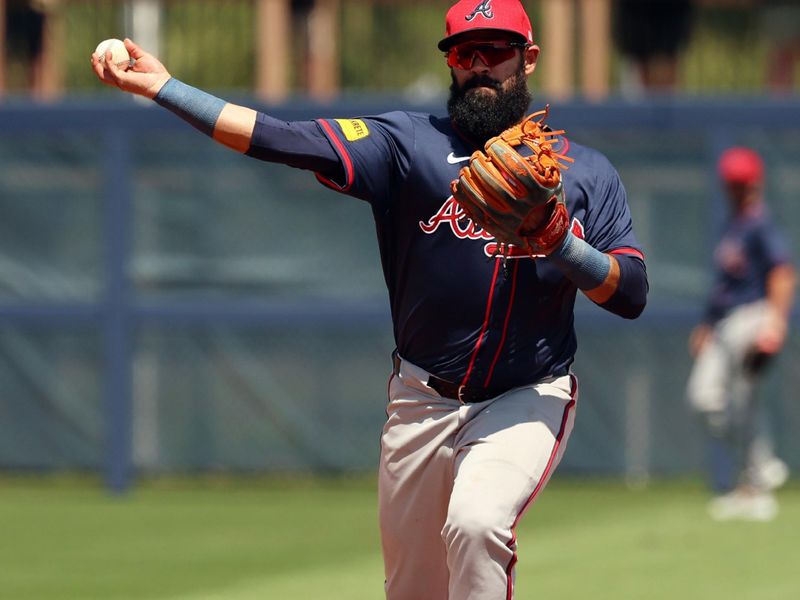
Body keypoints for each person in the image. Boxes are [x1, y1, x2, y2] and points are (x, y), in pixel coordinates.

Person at [92, 0, 647, 597]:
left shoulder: (584, 174)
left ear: (528, 58)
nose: (481, 65)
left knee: (477, 524)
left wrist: (561, 242)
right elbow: (280, 138)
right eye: (466, 52)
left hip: (526, 393)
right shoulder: (407, 144)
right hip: (421, 401)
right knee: (412, 589)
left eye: (497, 50)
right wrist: (167, 88)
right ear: (451, 63)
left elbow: (631, 291)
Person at [687, 146, 796, 522]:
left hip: (752, 316)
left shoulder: (760, 224)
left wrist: (775, 323)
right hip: (722, 325)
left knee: (744, 402)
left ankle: (755, 487)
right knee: (705, 399)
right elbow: (722, 286)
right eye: (732, 184)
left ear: (755, 185)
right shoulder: (732, 225)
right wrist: (705, 324)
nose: (736, 190)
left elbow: (782, 273)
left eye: (742, 184)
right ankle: (761, 465)